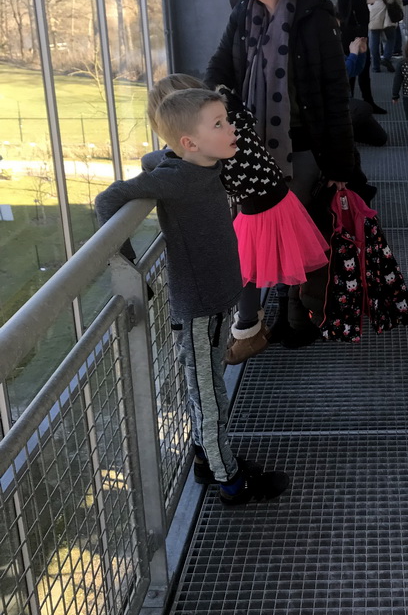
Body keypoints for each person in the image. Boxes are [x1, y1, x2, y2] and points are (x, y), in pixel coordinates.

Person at [94, 86, 289, 504]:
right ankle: (232, 485)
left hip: (218, 305)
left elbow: (156, 158)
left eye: (226, 119)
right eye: (219, 123)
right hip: (200, 312)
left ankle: (207, 461)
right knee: (210, 399)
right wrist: (126, 265)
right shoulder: (179, 177)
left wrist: (171, 151)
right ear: (191, 142)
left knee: (209, 389)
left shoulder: (201, 163)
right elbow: (109, 198)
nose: (231, 126)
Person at [206, 0, 356, 348]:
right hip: (251, 151)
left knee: (302, 228)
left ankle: (299, 317)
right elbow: (218, 68)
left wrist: (342, 166)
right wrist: (220, 102)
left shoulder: (314, 15)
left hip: (304, 147)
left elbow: (334, 94)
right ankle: (256, 323)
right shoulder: (242, 14)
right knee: (255, 231)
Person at [146, 74, 330, 365]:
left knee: (243, 271)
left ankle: (249, 331)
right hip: (274, 199)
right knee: (273, 265)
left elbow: (168, 161)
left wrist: (152, 162)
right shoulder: (226, 114)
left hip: (261, 211)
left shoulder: (207, 141)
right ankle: (274, 321)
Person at [333, 0, 387, 114]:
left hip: (361, 26)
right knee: (352, 63)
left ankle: (367, 101)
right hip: (349, 27)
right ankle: (349, 103)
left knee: (364, 64)